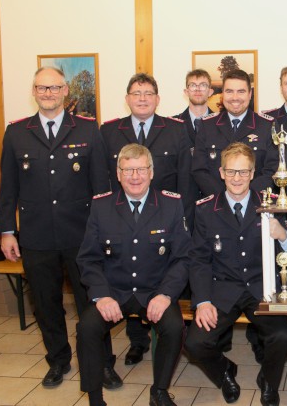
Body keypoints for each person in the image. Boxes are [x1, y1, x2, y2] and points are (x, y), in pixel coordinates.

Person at [0, 67, 121, 389]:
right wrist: (8, 231)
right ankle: (58, 360)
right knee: (45, 304)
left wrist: (104, 232)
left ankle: (102, 364)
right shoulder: (16, 132)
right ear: (34, 91)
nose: (48, 93)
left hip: (81, 237)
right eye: (42, 88)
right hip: (37, 237)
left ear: (65, 91)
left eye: (54, 88)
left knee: (92, 304)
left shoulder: (86, 129)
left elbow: (101, 187)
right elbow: (8, 188)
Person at [76, 144, 190, 406]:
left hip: (154, 290)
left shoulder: (171, 205)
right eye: (128, 170)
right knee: (87, 327)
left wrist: (165, 295)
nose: (135, 176)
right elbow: (88, 259)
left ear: (152, 172)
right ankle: (95, 398)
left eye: (140, 169)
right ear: (118, 174)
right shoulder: (101, 206)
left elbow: (183, 258)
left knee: (174, 327)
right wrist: (101, 296)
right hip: (114, 291)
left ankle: (159, 391)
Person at [185, 142, 287, 406]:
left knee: (283, 335)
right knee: (196, 342)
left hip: (261, 287)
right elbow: (198, 259)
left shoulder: (271, 204)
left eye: (243, 172)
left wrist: (283, 236)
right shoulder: (205, 209)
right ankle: (225, 372)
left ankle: (268, 379)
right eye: (231, 171)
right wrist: (203, 301)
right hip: (222, 288)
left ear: (253, 173)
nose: (237, 178)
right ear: (221, 172)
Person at [101, 72, 193, 365]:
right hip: (123, 222)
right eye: (136, 93)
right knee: (127, 274)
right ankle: (137, 342)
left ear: (158, 99)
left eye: (148, 93)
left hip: (165, 222)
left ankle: (167, 339)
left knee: (161, 280)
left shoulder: (177, 130)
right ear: (127, 98)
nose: (142, 98)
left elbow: (186, 181)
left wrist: (185, 221)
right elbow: (105, 180)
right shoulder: (110, 131)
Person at [192, 69, 276, 196]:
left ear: (249, 94)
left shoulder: (267, 126)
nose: (235, 98)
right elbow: (199, 171)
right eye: (229, 91)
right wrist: (225, 198)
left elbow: (272, 170)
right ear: (222, 94)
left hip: (255, 206)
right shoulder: (207, 126)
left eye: (241, 92)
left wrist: (245, 196)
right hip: (216, 206)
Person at [174, 68, 216, 146]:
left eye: (203, 85)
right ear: (186, 92)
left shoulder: (219, 123)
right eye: (193, 85)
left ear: (210, 92)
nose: (197, 89)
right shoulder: (174, 125)